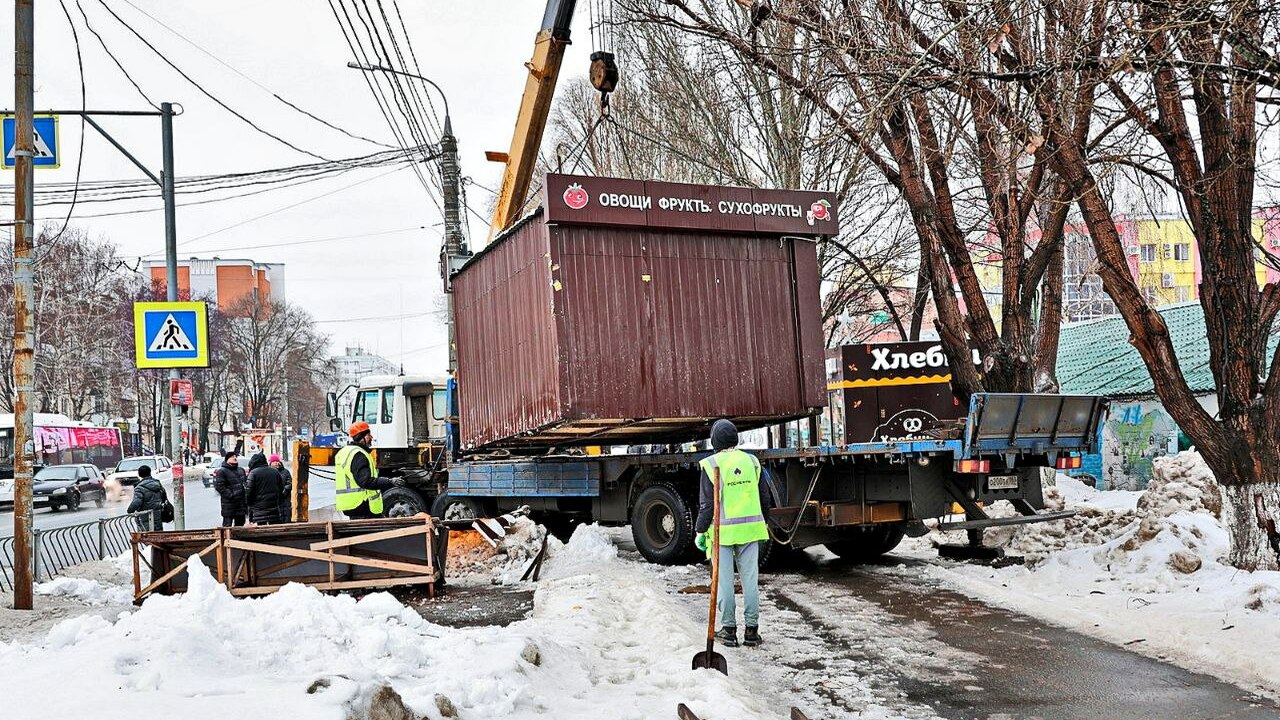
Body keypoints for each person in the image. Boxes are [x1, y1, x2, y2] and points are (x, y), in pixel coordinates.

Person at [694, 419, 774, 648]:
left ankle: (728, 629)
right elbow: (764, 498)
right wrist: (763, 522)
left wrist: (700, 531)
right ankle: (752, 631)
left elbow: (707, 506)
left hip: (722, 534)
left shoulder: (711, 464)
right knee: (750, 580)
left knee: (724, 581)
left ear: (715, 441)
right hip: (750, 531)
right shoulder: (752, 462)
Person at [334, 421, 403, 519]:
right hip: (362, 506)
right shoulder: (358, 455)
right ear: (360, 437)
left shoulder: (345, 452)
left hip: (352, 506)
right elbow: (366, 481)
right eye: (368, 435)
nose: (371, 437)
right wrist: (390, 481)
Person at [245, 452, 287, 525]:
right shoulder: (275, 471)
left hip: (259, 510)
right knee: (275, 530)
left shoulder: (253, 473)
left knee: (261, 530)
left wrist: (249, 504)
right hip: (274, 509)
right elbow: (281, 489)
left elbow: (249, 492)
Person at [213, 451, 248, 526]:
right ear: (227, 459)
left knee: (240, 525)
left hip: (241, 503)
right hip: (229, 504)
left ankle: (238, 538)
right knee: (227, 526)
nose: (235, 458)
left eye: (235, 456)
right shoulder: (222, 471)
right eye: (232, 456)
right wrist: (231, 495)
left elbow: (245, 483)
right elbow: (220, 486)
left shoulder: (241, 470)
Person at [128, 465, 166, 532]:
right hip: (157, 516)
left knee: (147, 537)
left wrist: (130, 510)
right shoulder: (157, 483)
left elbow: (137, 502)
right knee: (157, 537)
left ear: (139, 474)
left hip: (145, 517)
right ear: (149, 472)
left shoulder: (139, 488)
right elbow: (164, 497)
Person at [270, 454, 293, 522]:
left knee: (286, 514)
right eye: (274, 461)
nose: (276, 463)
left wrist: (285, 490)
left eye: (277, 461)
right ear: (271, 462)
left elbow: (290, 482)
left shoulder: (285, 471)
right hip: (273, 498)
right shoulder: (269, 472)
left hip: (285, 498)